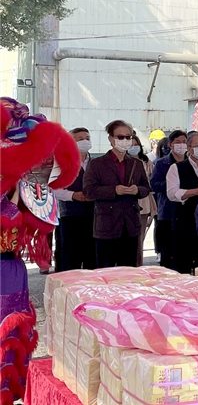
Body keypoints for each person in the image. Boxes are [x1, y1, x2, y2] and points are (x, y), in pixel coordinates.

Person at [0, 97, 80, 403]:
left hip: (9, 268)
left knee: (8, 333)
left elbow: (39, 220)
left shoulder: (27, 185)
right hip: (7, 268)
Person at [83, 120, 151, 268]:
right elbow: (89, 190)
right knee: (105, 270)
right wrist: (113, 190)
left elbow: (146, 187)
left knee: (128, 271)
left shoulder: (136, 163)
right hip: (106, 224)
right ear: (111, 139)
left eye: (128, 137)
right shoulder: (97, 164)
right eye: (120, 137)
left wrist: (137, 190)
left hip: (131, 224)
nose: (125, 141)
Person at [167, 133, 198, 274]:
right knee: (182, 262)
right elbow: (172, 193)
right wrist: (195, 191)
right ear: (189, 148)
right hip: (184, 219)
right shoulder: (176, 168)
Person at [53, 127, 96, 272]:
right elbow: (53, 188)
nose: (85, 141)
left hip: (94, 215)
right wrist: (73, 195)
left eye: (87, 138)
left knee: (92, 257)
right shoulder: (61, 163)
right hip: (70, 216)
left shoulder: (96, 163)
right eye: (80, 139)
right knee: (70, 258)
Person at [150, 130, 188, 269]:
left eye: (184, 142)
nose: (181, 145)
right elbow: (153, 184)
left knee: (185, 252)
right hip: (167, 212)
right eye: (178, 142)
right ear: (170, 144)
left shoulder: (193, 162)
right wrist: (173, 185)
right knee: (168, 251)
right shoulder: (161, 164)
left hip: (189, 213)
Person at [130, 135, 157, 267]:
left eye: (135, 144)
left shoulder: (146, 161)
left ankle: (138, 264)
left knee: (140, 236)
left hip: (144, 201)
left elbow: (151, 181)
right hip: (126, 202)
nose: (133, 147)